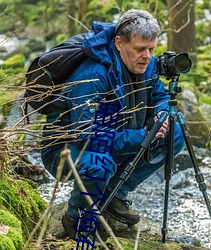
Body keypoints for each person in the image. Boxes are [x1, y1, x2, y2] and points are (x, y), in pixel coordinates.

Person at [41, 9, 185, 238]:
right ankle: (75, 219)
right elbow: (89, 136)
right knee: (100, 164)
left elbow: (160, 96)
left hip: (118, 136)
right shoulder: (93, 75)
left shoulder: (145, 64)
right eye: (140, 49)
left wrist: (161, 114)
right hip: (68, 150)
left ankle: (115, 194)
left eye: (151, 49)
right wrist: (143, 135)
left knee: (175, 132)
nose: (147, 56)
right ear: (119, 43)